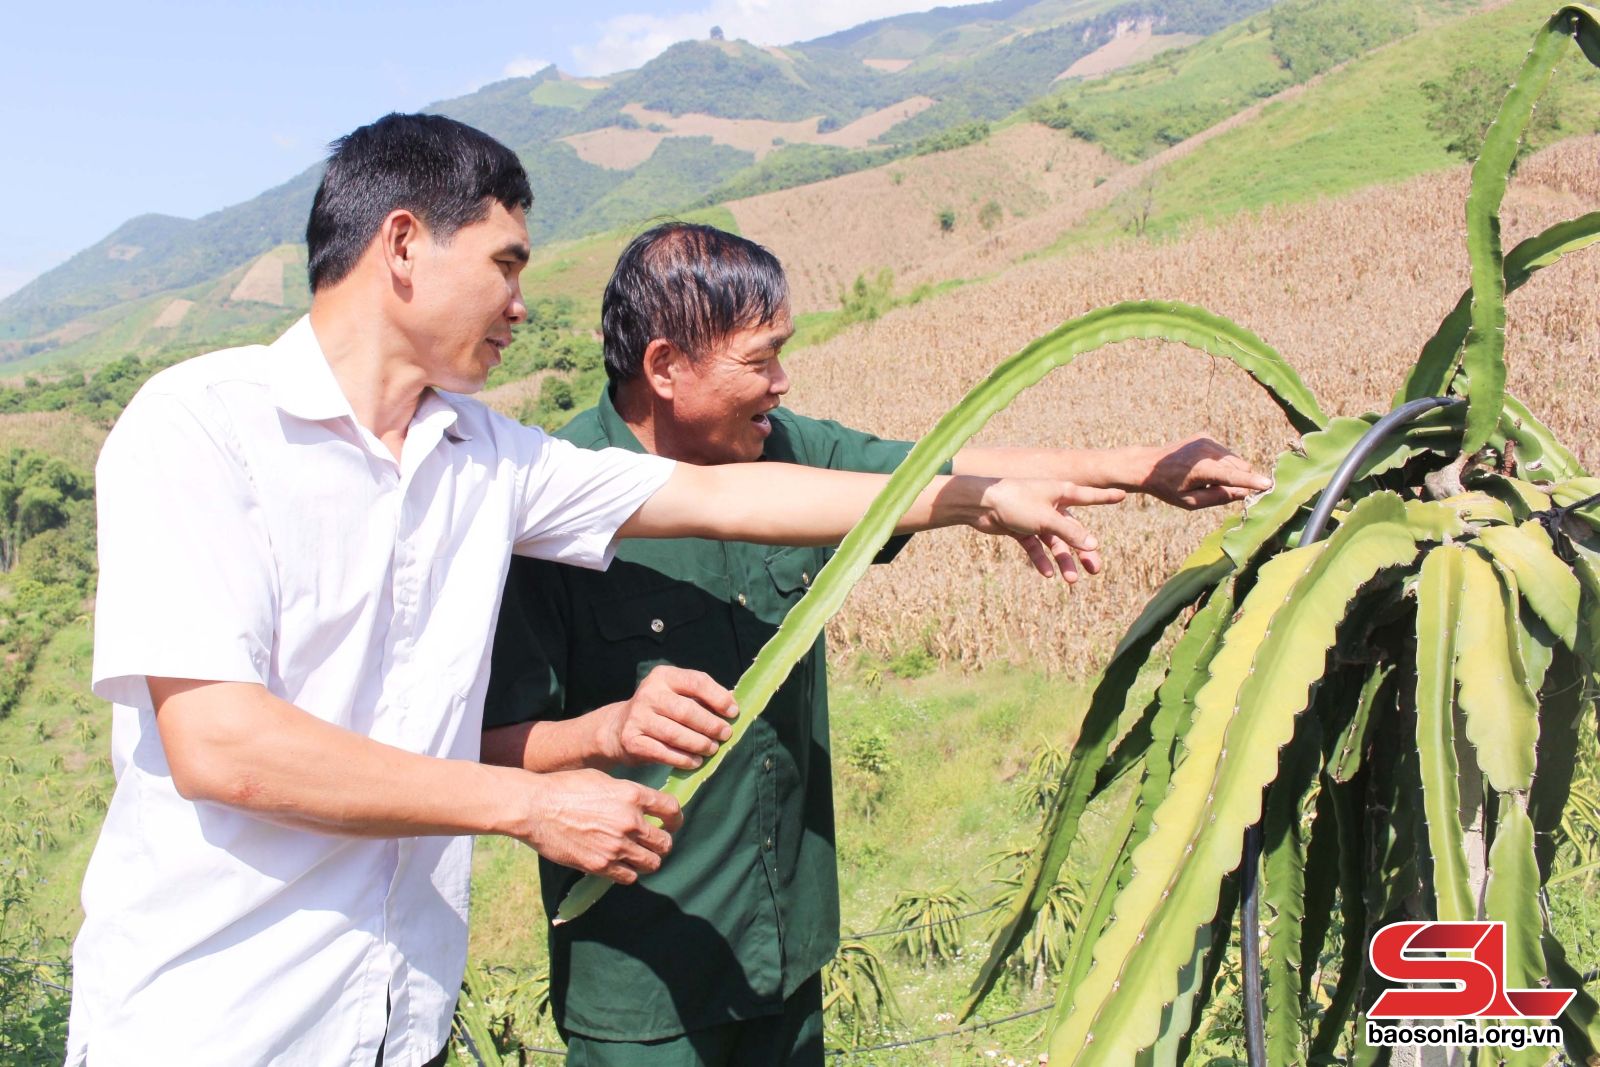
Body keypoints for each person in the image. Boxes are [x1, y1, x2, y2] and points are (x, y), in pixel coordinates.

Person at [66, 117, 1125, 1067]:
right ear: (401, 245)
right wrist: (533, 800)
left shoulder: (487, 457)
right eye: (506, 264)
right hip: (216, 1019)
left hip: (396, 1015)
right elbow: (222, 744)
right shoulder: (204, 425)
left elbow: (726, 502)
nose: (524, 306)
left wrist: (981, 500)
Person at [481, 223, 1272, 1066]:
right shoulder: (548, 507)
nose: (781, 384)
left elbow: (945, 469)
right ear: (666, 366)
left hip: (787, 951)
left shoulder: (788, 453)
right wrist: (605, 731)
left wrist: (1145, 466)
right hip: (645, 988)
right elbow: (485, 746)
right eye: (759, 361)